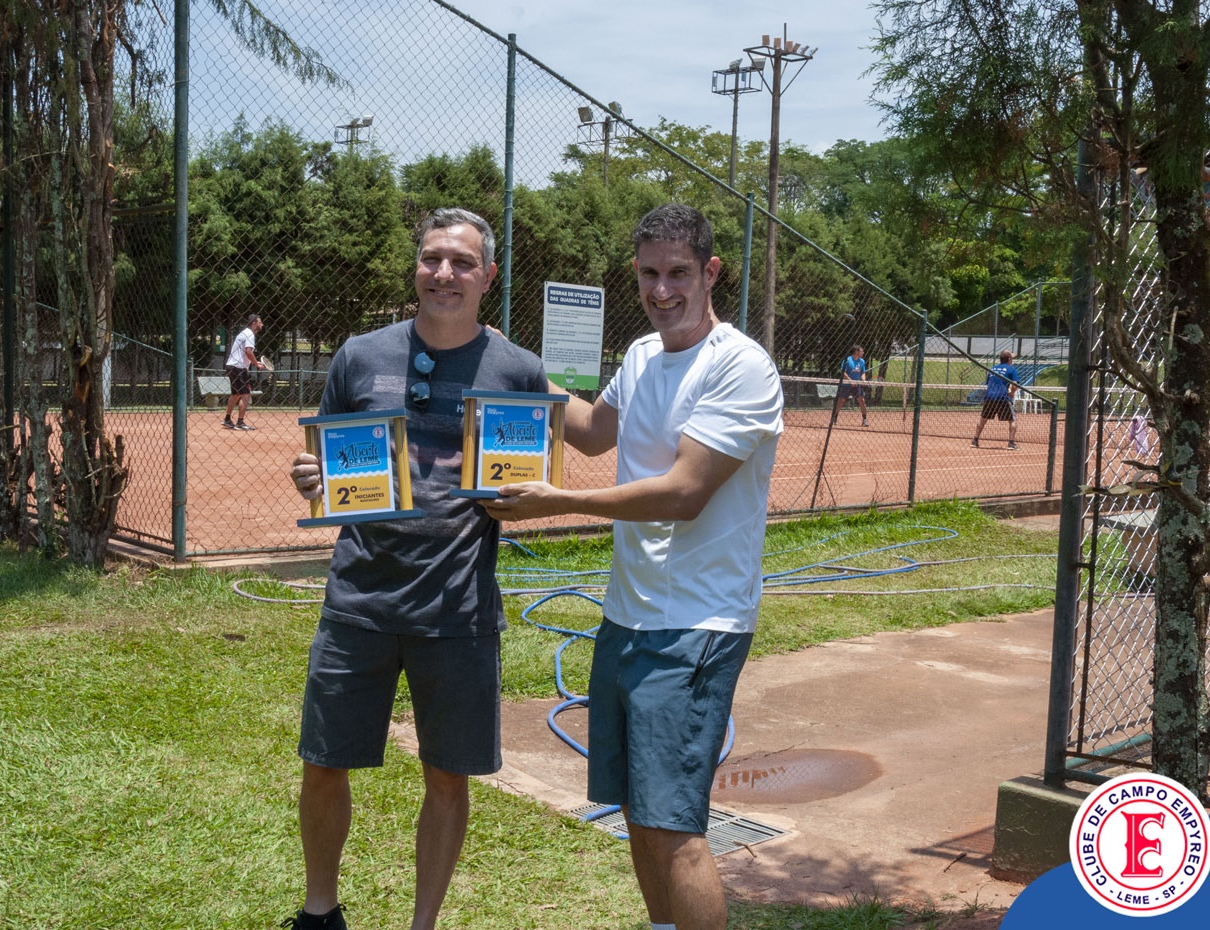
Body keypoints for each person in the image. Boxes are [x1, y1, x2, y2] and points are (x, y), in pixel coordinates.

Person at [483, 204, 783, 930]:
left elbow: (683, 493)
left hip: (696, 625)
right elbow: (592, 432)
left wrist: (559, 502)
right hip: (627, 617)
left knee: (675, 827)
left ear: (711, 272)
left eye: (679, 273)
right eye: (650, 273)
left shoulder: (740, 366)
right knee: (638, 813)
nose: (662, 290)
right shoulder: (644, 355)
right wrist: (509, 360)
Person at [285, 208, 547, 930]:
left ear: (488, 276)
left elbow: (531, 473)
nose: (444, 274)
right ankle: (319, 911)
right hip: (358, 600)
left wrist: (523, 498)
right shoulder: (359, 356)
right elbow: (328, 459)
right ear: (417, 268)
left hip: (457, 609)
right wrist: (314, 477)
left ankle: (422, 924)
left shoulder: (519, 370)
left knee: (447, 776)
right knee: (323, 760)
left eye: (462, 262)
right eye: (433, 258)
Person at [224, 313, 269, 431]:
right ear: (254, 323)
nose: (262, 324)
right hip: (239, 368)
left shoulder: (243, 333)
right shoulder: (250, 334)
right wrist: (256, 364)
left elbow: (245, 353)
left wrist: (254, 362)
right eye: (260, 322)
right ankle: (240, 422)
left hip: (231, 366)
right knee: (246, 394)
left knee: (235, 394)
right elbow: (249, 351)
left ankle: (227, 419)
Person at [971, 349, 1020, 450]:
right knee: (1012, 420)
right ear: (1009, 359)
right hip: (1003, 398)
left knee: (983, 419)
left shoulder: (992, 369)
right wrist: (1011, 393)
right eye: (1011, 358)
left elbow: (989, 383)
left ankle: (975, 440)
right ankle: (1011, 443)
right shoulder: (1012, 369)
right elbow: (1015, 384)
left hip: (989, 397)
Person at [832, 344, 869, 427]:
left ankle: (865, 420)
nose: (863, 353)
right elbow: (843, 372)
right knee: (841, 400)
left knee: (862, 400)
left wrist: (863, 380)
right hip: (846, 384)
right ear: (856, 351)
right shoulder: (847, 360)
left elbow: (862, 372)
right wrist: (850, 380)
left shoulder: (862, 361)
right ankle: (834, 417)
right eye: (861, 351)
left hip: (857, 384)